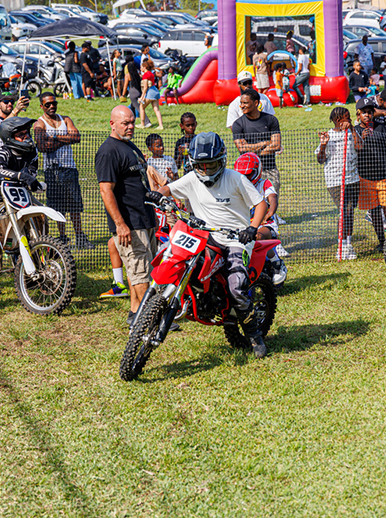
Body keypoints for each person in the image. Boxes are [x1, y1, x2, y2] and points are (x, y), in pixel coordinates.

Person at [147, 132, 270, 358]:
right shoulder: (193, 178)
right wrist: (159, 195)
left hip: (236, 239)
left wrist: (252, 228)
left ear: (221, 160)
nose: (206, 170)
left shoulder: (236, 178)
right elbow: (169, 188)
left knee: (236, 287)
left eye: (211, 164)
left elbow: (260, 203)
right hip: (205, 235)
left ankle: (254, 335)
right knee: (180, 259)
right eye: (201, 165)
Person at [95, 105, 157, 326]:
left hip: (146, 219)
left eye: (132, 122)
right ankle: (151, 318)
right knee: (141, 274)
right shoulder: (108, 151)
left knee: (140, 270)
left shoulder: (129, 146)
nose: (131, 126)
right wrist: (120, 224)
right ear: (112, 124)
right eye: (125, 123)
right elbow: (105, 190)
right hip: (130, 223)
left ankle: (135, 312)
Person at [0, 117, 41, 300]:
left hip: (20, 194)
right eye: (21, 134)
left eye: (27, 133)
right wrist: (21, 175)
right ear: (10, 136)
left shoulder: (32, 151)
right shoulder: (3, 152)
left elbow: (31, 172)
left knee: (40, 219)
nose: (26, 137)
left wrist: (27, 177)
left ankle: (37, 266)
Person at [33, 92, 92, 249]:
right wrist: (64, 138)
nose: (52, 106)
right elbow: (42, 146)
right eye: (48, 104)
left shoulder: (65, 119)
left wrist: (54, 138)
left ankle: (80, 236)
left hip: (69, 168)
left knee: (74, 205)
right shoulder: (39, 124)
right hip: (51, 170)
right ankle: (62, 237)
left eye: (54, 103)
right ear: (41, 106)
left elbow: (76, 137)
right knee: (58, 206)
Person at [355, 97, 386, 252]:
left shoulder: (380, 128)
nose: (367, 115)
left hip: (385, 175)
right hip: (366, 177)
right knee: (374, 211)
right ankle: (382, 241)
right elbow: (354, 150)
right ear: (358, 115)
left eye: (370, 112)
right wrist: (361, 139)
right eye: (364, 113)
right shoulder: (355, 131)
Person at [316, 107, 362, 260]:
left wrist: (353, 130)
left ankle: (348, 243)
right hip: (335, 180)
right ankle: (341, 246)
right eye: (347, 118)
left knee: (350, 212)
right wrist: (323, 144)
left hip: (353, 178)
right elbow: (320, 159)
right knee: (344, 211)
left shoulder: (352, 133)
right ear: (338, 120)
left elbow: (360, 147)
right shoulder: (329, 135)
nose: (349, 120)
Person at [233, 152, 289, 279]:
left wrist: (270, 213)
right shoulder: (237, 187)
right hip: (245, 224)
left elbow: (273, 198)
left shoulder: (264, 184)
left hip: (266, 224)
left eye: (249, 174)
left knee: (257, 237)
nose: (246, 178)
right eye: (242, 175)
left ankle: (277, 264)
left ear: (257, 170)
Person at [232, 88, 282, 193]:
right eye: (241, 103)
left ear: (256, 103)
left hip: (269, 168)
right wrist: (265, 143)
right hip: (247, 171)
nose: (242, 106)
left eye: (245, 103)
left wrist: (251, 151)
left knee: (272, 200)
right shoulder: (238, 124)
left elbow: (276, 145)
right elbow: (242, 149)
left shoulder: (271, 120)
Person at [0, 92, 29, 158]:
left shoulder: (13, 120)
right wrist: (16, 110)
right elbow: (1, 127)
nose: (10, 104)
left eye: (12, 102)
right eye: (6, 101)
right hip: (1, 162)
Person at [122, 55, 149, 126]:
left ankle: (147, 122)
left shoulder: (128, 75)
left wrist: (123, 95)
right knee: (133, 105)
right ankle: (132, 117)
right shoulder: (137, 74)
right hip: (138, 91)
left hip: (132, 92)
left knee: (139, 108)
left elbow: (125, 86)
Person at [138, 59, 163, 130]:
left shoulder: (145, 75)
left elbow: (145, 87)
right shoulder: (151, 73)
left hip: (150, 92)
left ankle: (142, 124)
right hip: (155, 91)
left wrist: (142, 97)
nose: (140, 68)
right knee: (156, 109)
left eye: (141, 67)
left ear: (144, 67)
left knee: (141, 107)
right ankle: (161, 125)